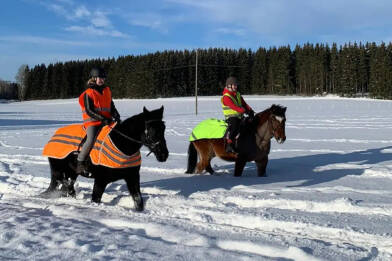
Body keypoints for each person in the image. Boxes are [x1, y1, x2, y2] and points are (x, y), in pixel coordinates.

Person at [76, 67, 121, 174]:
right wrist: (102, 119)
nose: (102, 80)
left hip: (106, 120)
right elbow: (89, 110)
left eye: (103, 78)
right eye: (99, 78)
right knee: (91, 140)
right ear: (94, 78)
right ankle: (80, 162)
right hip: (92, 122)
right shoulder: (89, 92)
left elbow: (111, 105)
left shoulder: (107, 90)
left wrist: (116, 115)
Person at [221, 76, 254, 153]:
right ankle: (229, 144)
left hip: (240, 116)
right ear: (229, 85)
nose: (236, 86)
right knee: (235, 125)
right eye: (234, 85)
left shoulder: (237, 94)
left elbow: (244, 104)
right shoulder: (226, 96)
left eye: (236, 85)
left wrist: (250, 110)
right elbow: (233, 106)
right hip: (231, 117)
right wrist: (243, 110)